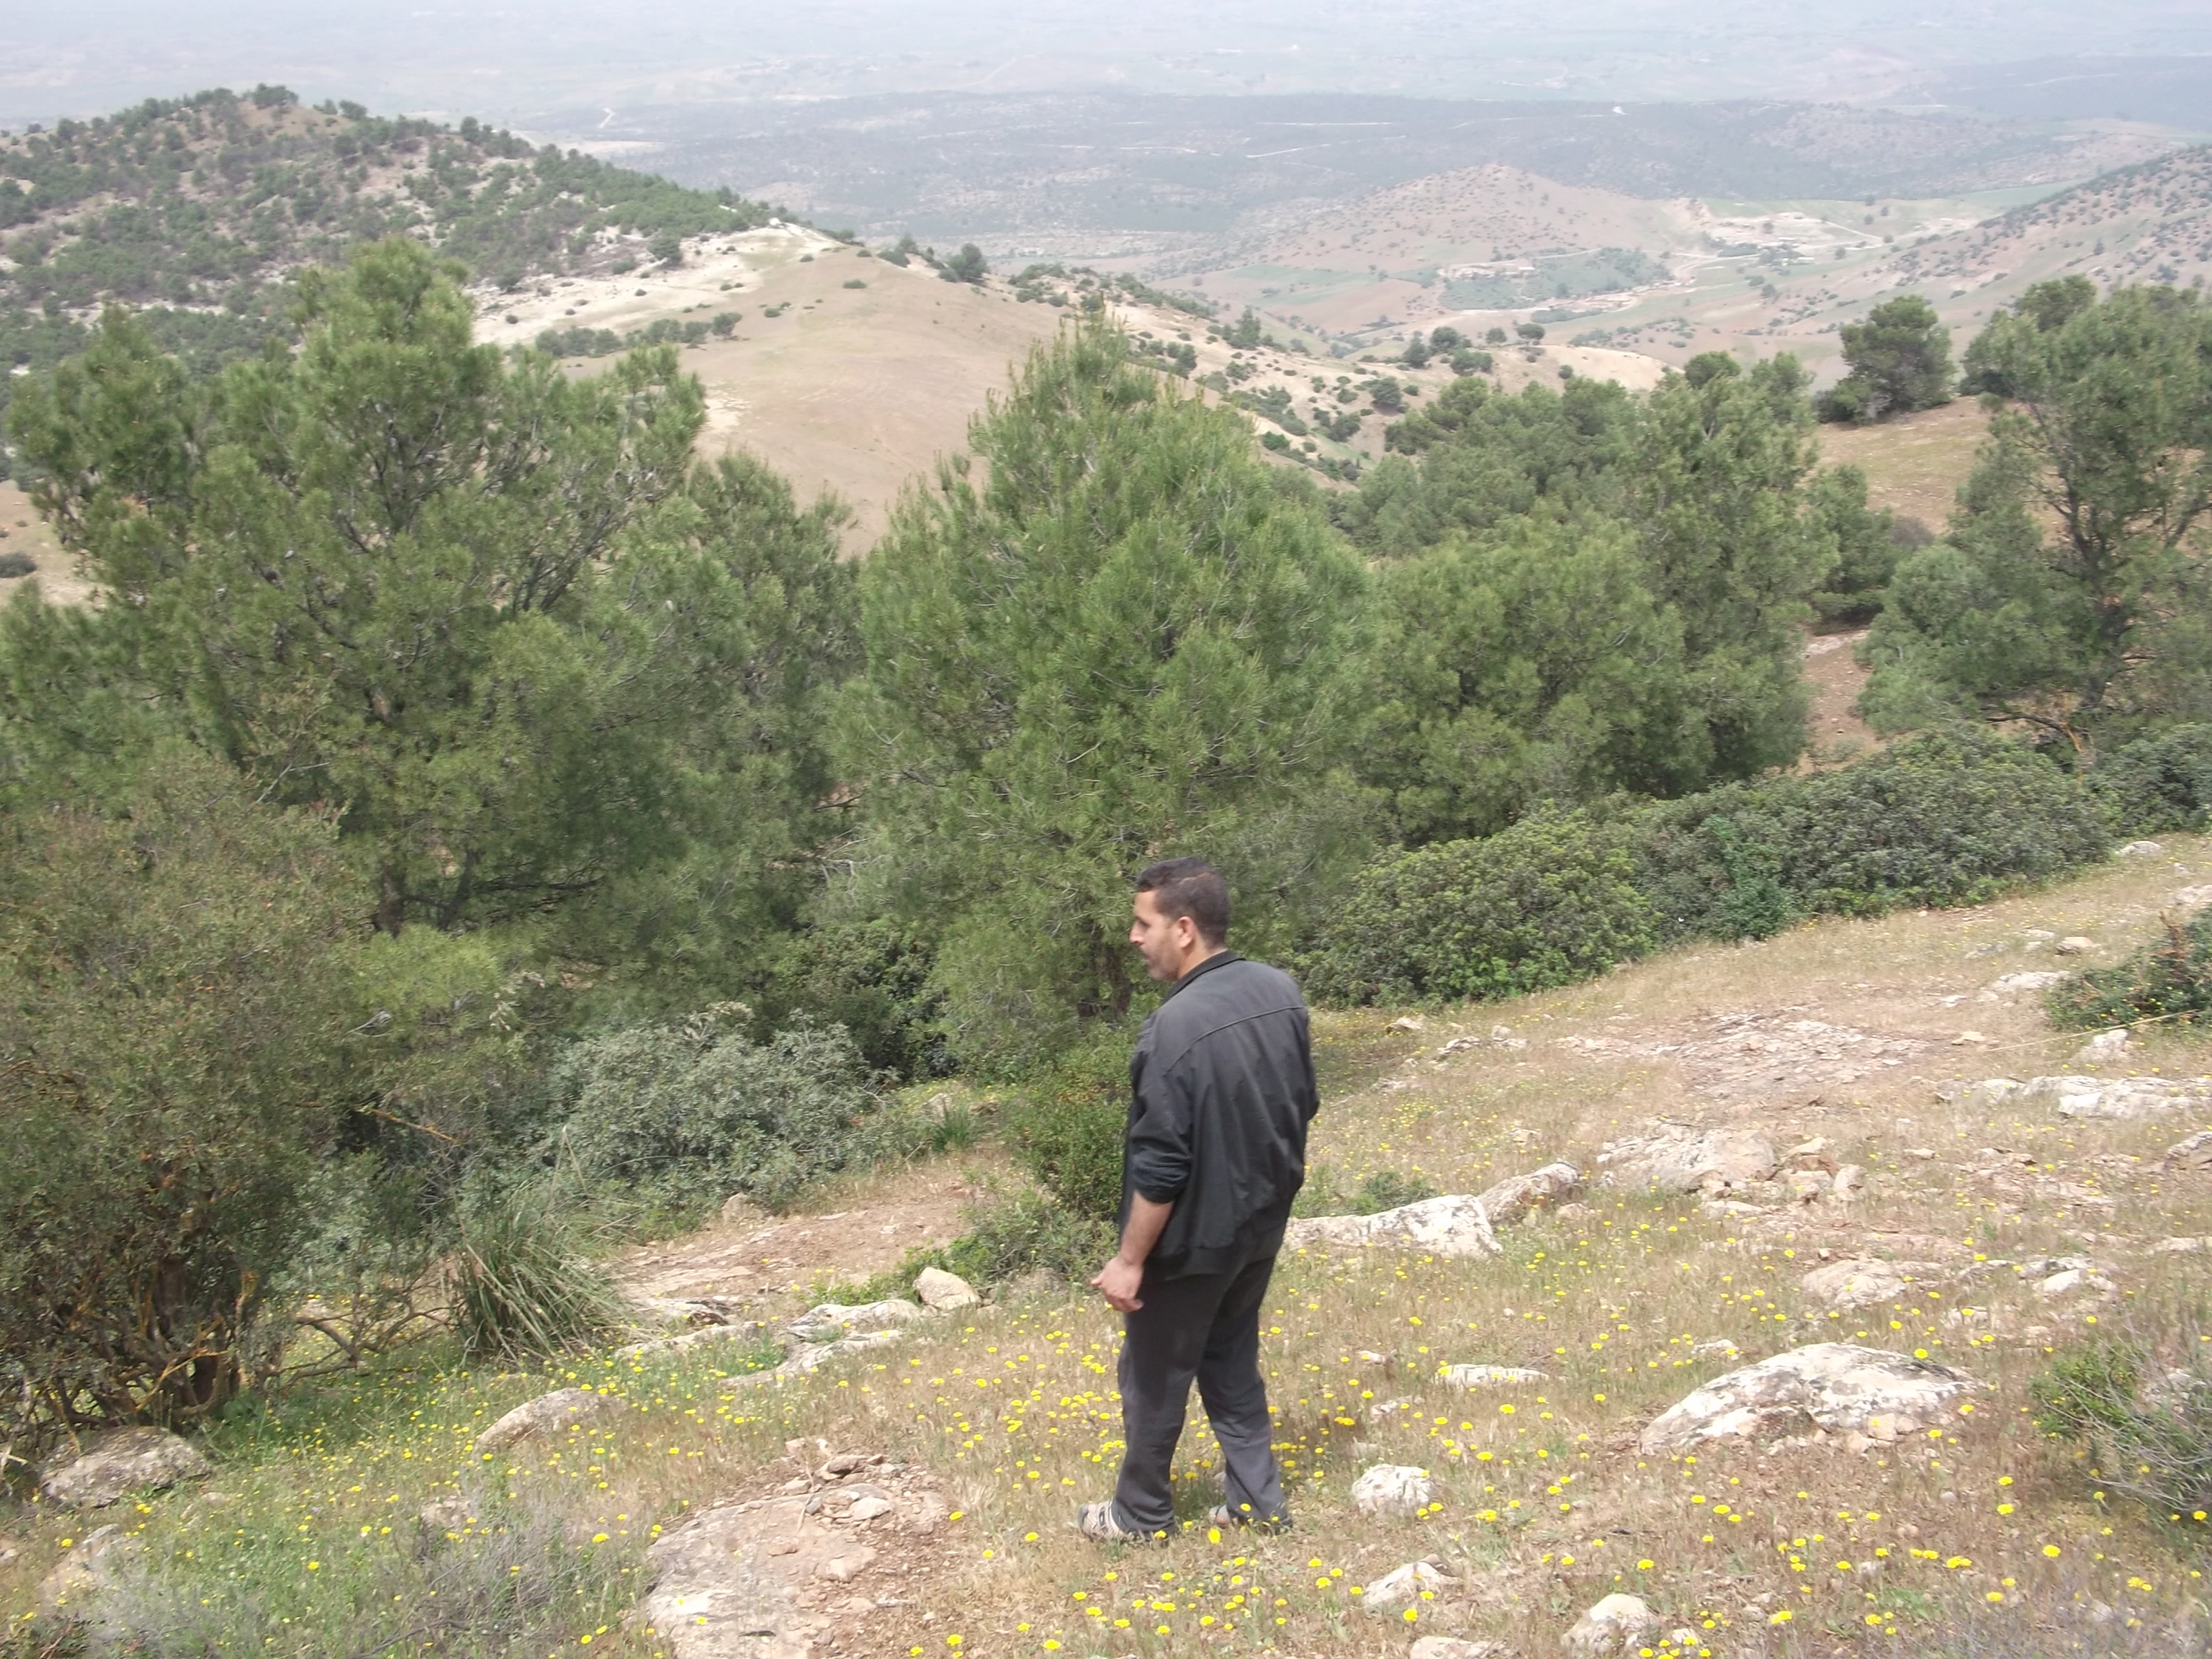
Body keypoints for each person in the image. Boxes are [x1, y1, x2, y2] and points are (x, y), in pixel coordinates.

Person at [1078, 858, 1319, 1542]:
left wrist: (1130, 1261)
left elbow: (1161, 1165)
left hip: (1192, 1241)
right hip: (1260, 1225)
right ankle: (1256, 1502)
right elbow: (1304, 1102)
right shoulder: (1279, 990)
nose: (1133, 937)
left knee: (1152, 1376)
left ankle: (1140, 1514)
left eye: (1142, 923)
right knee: (1230, 1359)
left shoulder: (1173, 1027)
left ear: (1184, 929)